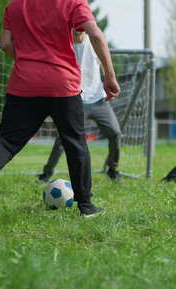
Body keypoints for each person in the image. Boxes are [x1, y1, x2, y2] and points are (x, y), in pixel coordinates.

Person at [0, 0, 120, 217]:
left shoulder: (15, 5)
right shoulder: (72, 2)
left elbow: (6, 44)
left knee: (6, 141)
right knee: (75, 143)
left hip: (24, 83)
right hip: (62, 84)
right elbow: (96, 35)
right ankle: (86, 206)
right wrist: (109, 76)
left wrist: (30, 63)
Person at [38, 30, 123, 184]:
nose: (79, 29)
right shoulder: (64, 43)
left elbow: (105, 62)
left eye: (82, 25)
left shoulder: (95, 41)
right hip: (75, 99)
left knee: (115, 133)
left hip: (98, 100)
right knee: (63, 139)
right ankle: (46, 174)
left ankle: (113, 170)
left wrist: (109, 79)